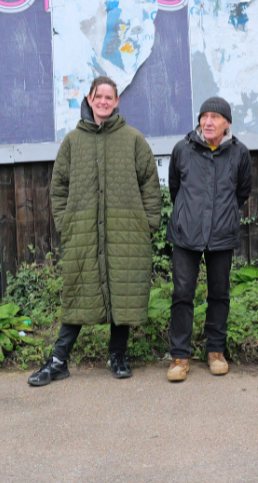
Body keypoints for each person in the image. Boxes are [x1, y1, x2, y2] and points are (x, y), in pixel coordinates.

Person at [29, 76, 161, 386]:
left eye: (109, 97)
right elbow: (58, 185)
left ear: (116, 102)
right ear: (90, 100)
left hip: (126, 231)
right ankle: (58, 361)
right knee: (78, 294)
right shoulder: (73, 141)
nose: (103, 101)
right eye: (97, 96)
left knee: (122, 293)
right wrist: (66, 223)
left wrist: (148, 224)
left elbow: (150, 185)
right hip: (83, 233)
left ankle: (118, 355)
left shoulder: (133, 140)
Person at [164, 97, 253, 382]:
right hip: (186, 233)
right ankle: (179, 355)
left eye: (215, 117)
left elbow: (242, 191)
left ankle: (215, 350)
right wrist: (189, 215)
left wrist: (221, 215)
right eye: (204, 116)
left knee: (219, 294)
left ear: (227, 123)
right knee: (182, 294)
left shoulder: (239, 153)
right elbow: (175, 189)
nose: (208, 122)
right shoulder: (183, 149)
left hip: (221, 234)